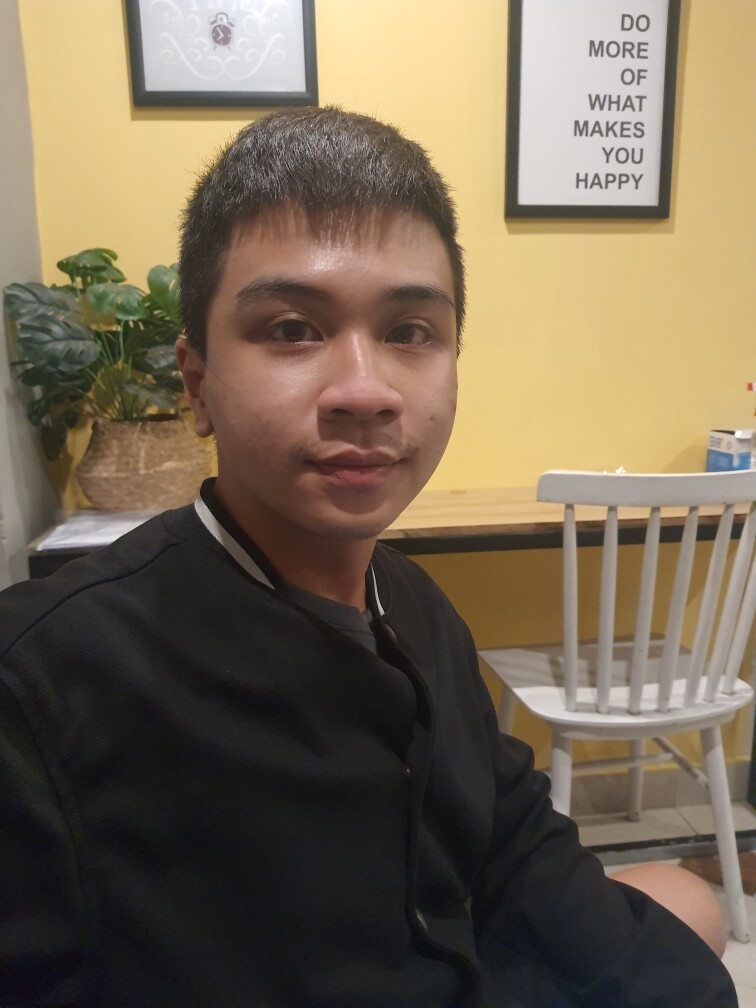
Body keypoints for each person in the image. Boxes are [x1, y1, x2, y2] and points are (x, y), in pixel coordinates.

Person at [0, 107, 736, 1008]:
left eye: (410, 332)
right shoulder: (40, 687)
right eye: (291, 329)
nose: (364, 391)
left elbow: (513, 843)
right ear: (196, 384)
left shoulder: (417, 606)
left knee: (689, 905)